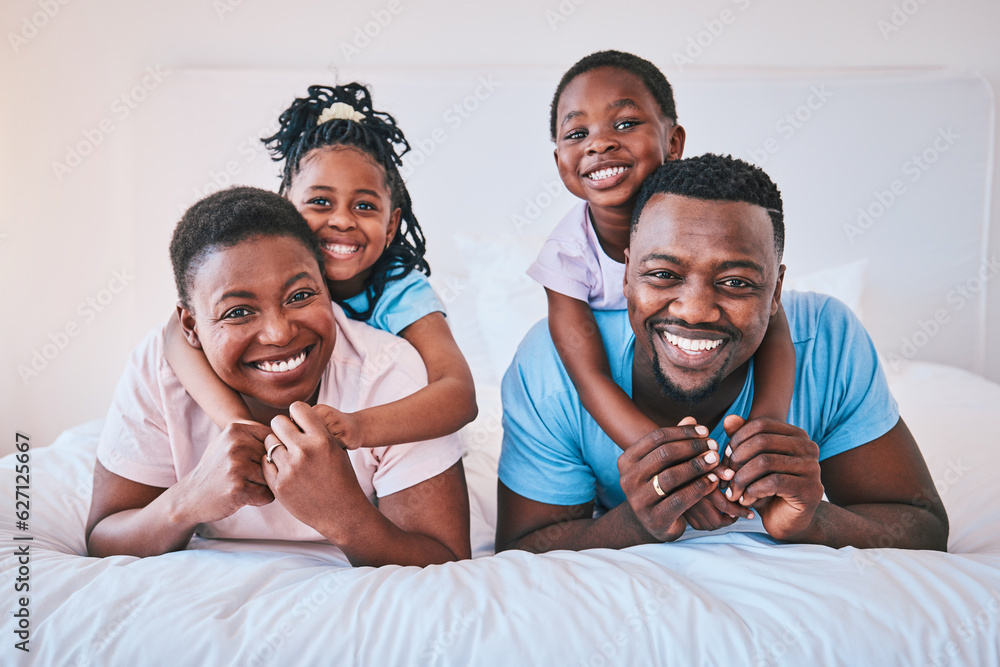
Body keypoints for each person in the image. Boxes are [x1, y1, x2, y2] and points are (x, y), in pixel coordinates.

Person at [496, 154, 948, 553]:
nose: (694, 312)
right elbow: (522, 546)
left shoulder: (828, 338)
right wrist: (634, 524)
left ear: (776, 293)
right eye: (662, 274)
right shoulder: (553, 364)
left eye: (736, 282)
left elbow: (923, 528)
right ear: (626, 275)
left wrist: (812, 521)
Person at [86, 187, 471, 567]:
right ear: (190, 325)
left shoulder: (389, 371)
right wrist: (187, 502)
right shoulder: (159, 368)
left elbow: (447, 559)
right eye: (238, 312)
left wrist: (345, 517)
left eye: (301, 296)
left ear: (327, 286)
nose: (279, 334)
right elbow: (104, 538)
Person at [530, 50, 796, 529]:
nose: (600, 145)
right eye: (577, 134)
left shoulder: (721, 219)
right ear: (558, 160)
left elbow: (774, 327)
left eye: (625, 124)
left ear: (673, 141)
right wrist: (677, 470)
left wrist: (758, 438)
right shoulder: (566, 256)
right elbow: (589, 377)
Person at [163, 82, 477, 450]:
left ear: (391, 226)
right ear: (287, 209)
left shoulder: (400, 290)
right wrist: (241, 426)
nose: (342, 221)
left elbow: (458, 393)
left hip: (397, 441)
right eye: (321, 202)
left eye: (364, 206)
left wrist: (357, 427)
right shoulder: (258, 279)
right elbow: (175, 337)